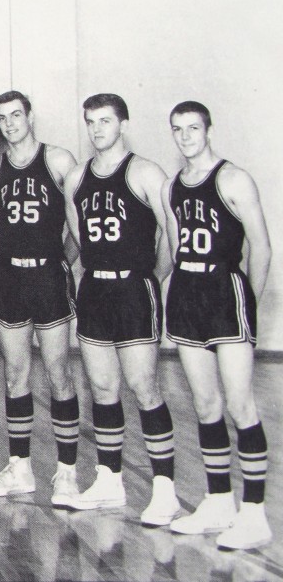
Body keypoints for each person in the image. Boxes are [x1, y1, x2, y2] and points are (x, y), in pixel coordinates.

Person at [61, 93, 180, 525]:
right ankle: (109, 480)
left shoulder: (145, 172)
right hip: (95, 289)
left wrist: (151, 276)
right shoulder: (76, 178)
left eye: (105, 121)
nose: (97, 129)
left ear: (123, 124)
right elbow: (78, 239)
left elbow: (172, 233)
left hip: (134, 289)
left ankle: (165, 489)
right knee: (103, 388)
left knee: (144, 387)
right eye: (91, 122)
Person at [162, 101, 272, 550]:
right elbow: (174, 249)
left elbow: (261, 249)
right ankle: (219, 500)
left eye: (193, 128)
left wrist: (248, 299)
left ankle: (255, 514)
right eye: (178, 129)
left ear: (208, 130)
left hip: (225, 292)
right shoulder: (173, 186)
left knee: (240, 404)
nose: (186, 136)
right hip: (188, 295)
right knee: (205, 405)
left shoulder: (232, 179)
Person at [0, 91, 80, 504]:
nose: (10, 123)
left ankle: (68, 472)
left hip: (49, 277)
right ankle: (20, 468)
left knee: (59, 373)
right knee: (14, 375)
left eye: (16, 115)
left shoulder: (58, 161)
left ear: (30, 115)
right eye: (2, 118)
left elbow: (76, 228)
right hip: (10, 278)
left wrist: (58, 262)